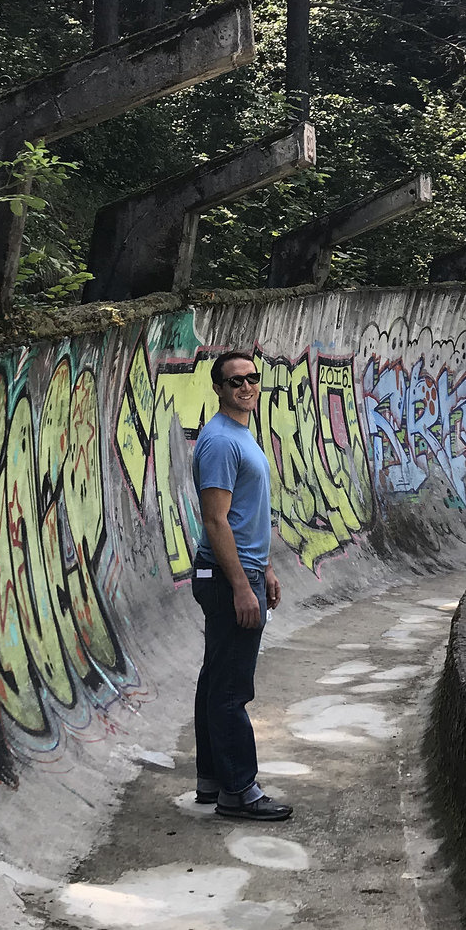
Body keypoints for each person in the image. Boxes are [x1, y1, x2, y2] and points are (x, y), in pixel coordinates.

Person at [189, 350, 293, 821]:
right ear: (218, 388)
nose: (246, 387)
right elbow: (216, 520)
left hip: (244, 571)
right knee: (232, 690)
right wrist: (241, 586)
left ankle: (213, 780)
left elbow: (245, 514)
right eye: (235, 381)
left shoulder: (238, 435)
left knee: (216, 680)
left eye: (252, 379)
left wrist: (264, 568)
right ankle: (239, 791)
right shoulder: (219, 442)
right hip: (228, 578)